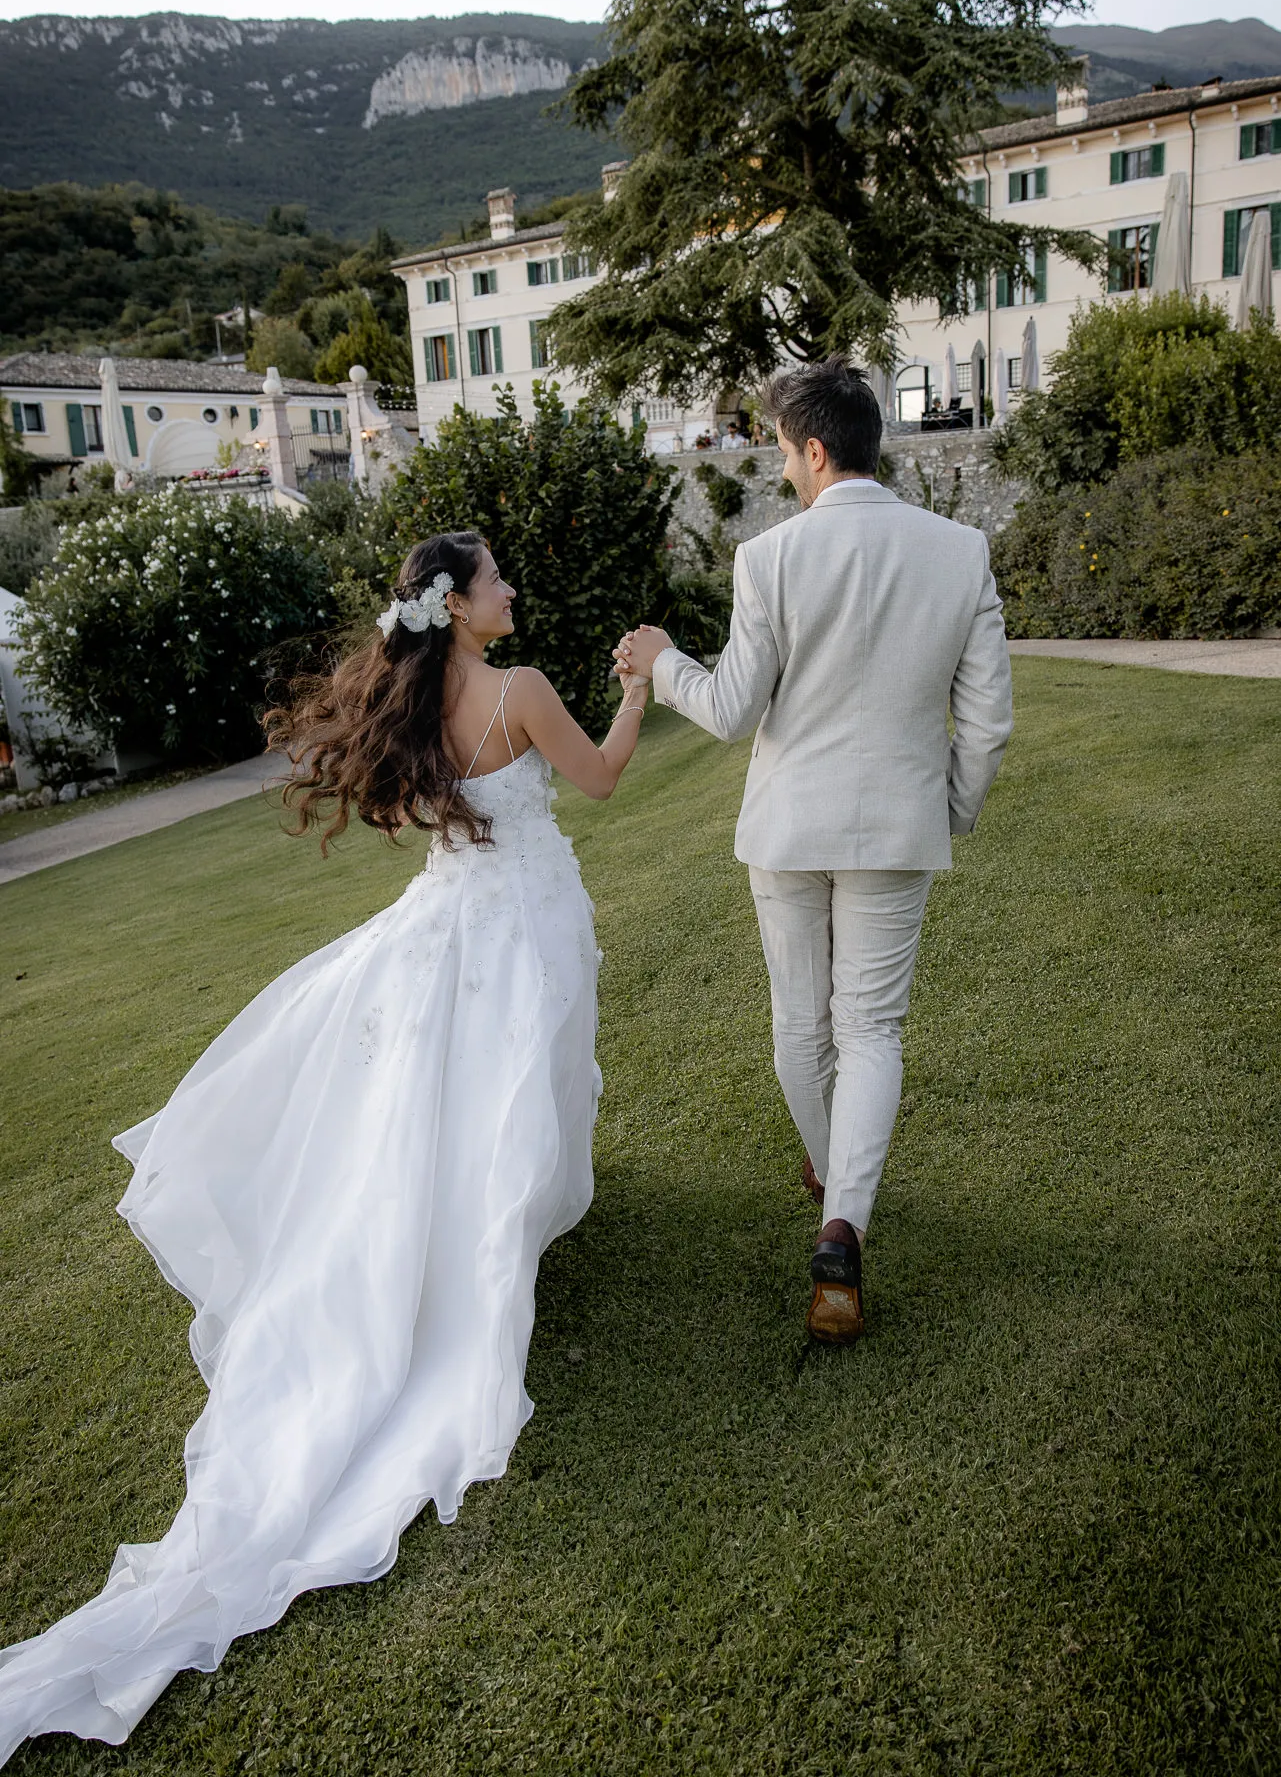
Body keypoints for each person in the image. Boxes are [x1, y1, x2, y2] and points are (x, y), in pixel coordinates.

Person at [0, 530, 650, 1765]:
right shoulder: (520, 691)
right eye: (501, 580)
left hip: (452, 915)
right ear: (460, 605)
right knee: (508, 1086)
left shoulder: (419, 701)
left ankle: (480, 1226)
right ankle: (484, 1252)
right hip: (519, 925)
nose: (515, 592)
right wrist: (641, 677)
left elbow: (439, 814)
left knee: (452, 1101)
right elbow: (608, 780)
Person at [615, 360, 1013, 1346]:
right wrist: (949, 810)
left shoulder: (769, 560)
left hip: (788, 829)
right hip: (895, 827)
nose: (784, 471)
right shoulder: (961, 550)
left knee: (804, 1024)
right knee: (870, 1029)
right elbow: (990, 723)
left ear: (818, 449)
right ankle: (843, 1219)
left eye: (786, 453)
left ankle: (833, 1177)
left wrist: (661, 660)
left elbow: (727, 711)